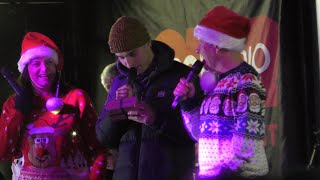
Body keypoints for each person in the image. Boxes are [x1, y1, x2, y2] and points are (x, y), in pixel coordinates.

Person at [96, 16, 203, 180]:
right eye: (121, 57)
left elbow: (195, 133)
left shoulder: (180, 75)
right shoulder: (119, 81)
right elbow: (104, 138)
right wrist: (117, 110)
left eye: (133, 54)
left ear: (148, 43)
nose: (128, 63)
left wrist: (155, 119)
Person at [173, 6, 269, 179]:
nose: (197, 49)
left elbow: (246, 145)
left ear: (216, 45)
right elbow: (198, 134)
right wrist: (189, 103)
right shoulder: (215, 84)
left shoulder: (246, 81)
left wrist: (217, 176)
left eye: (201, 42)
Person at [0, 32, 108, 179]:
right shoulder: (13, 104)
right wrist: (17, 112)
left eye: (49, 62)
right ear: (26, 70)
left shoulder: (76, 98)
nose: (44, 69)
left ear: (56, 66)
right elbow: (3, 151)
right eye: (36, 63)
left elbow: (98, 150)